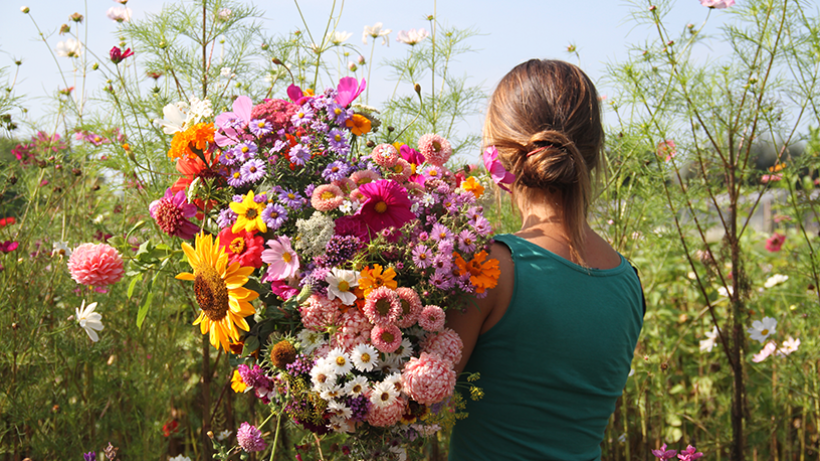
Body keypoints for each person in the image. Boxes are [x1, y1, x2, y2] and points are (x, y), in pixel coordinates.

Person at [447, 59, 645, 461]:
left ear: (495, 158)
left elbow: (419, 396)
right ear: (594, 153)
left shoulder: (491, 268)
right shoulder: (628, 281)